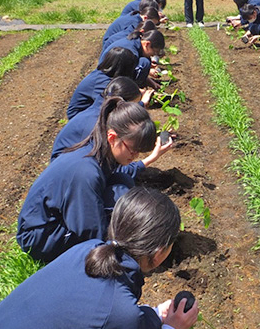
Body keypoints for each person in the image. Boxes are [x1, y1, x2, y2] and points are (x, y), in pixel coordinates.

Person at [0, 187, 199, 329]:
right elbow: (114, 317)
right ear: (159, 254)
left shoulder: (88, 249)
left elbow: (96, 315)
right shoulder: (120, 313)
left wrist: (154, 314)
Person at [18, 98, 157, 263]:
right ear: (112, 137)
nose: (136, 156)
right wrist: (117, 254)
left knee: (123, 184)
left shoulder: (97, 147)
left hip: (56, 219)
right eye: (133, 150)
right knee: (118, 202)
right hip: (41, 237)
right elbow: (90, 231)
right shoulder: (85, 173)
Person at [67, 47, 138, 120]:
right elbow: (110, 106)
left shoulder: (103, 74)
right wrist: (140, 103)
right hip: (79, 116)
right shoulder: (103, 82)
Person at [99, 21, 165, 89]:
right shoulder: (132, 54)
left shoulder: (136, 40)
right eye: (154, 51)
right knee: (145, 62)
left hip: (107, 71)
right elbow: (123, 77)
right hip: (106, 77)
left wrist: (151, 83)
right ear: (147, 44)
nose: (153, 54)